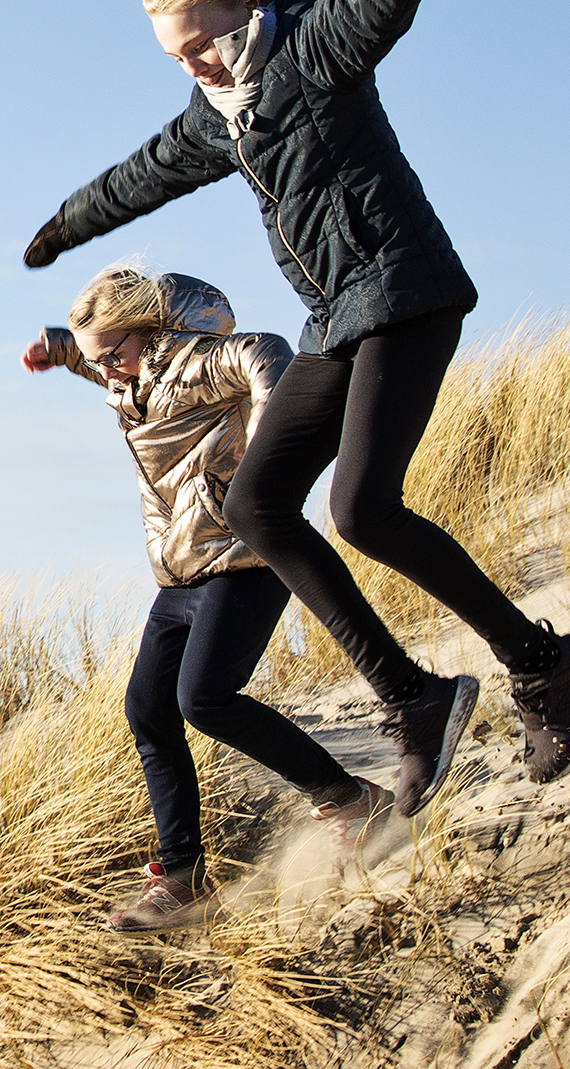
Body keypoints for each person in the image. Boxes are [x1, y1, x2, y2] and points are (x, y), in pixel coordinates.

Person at [20, 0, 570, 821]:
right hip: (336, 316)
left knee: (364, 508)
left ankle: (541, 662)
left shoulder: (315, 47)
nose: (194, 64)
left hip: (407, 289)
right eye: (176, 55)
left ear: (247, 4)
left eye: (201, 41)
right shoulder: (220, 114)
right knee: (257, 504)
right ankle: (415, 696)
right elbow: (141, 173)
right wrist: (64, 226)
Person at [26, 264, 389, 933]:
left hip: (243, 560)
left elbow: (265, 351)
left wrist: (271, 436)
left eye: (114, 353)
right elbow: (97, 354)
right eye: (99, 357)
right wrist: (58, 346)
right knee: (147, 709)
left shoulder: (198, 362)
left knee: (205, 700)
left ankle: (348, 799)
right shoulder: (132, 377)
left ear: (152, 333)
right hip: (180, 571)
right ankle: (182, 878)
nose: (106, 369)